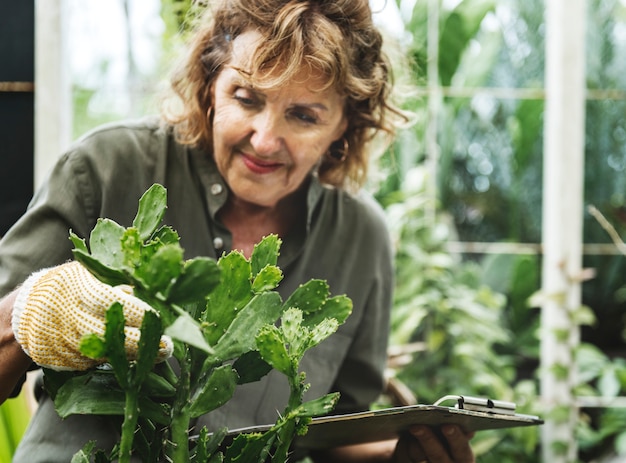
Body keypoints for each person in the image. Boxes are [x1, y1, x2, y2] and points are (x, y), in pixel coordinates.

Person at [0, 0, 475, 461]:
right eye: (246, 99)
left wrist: (406, 455)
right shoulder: (105, 170)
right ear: (209, 86)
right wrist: (29, 311)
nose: (265, 140)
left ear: (346, 125)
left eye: (304, 115)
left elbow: (338, 428)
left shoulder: (360, 235)